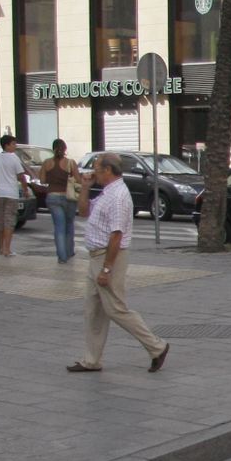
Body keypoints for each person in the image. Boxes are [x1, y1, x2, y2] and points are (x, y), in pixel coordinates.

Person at [68, 153, 170, 373]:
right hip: (96, 256)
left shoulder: (118, 196)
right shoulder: (107, 193)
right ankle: (91, 360)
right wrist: (85, 187)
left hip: (108, 256)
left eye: (96, 168)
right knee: (93, 310)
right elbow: (84, 211)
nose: (92, 172)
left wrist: (106, 269)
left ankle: (157, 346)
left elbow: (117, 235)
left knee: (115, 309)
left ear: (107, 170)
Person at [0, 134, 28, 257]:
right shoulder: (14, 158)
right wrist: (25, 190)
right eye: (13, 144)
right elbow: (21, 176)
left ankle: (0, 247)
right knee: (9, 221)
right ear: (7, 145)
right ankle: (7, 249)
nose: (15, 146)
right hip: (11, 194)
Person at [41, 139, 78, 263]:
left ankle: (62, 257)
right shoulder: (70, 163)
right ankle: (69, 252)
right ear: (65, 149)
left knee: (59, 227)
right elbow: (77, 179)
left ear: (53, 149)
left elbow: (42, 180)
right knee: (69, 224)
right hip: (68, 197)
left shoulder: (47, 163)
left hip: (52, 196)